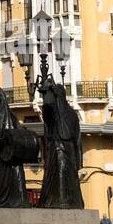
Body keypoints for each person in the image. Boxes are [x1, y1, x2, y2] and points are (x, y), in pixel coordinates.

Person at [38, 74, 84, 209]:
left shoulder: (71, 114)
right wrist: (47, 88)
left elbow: (78, 138)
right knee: (60, 173)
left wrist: (79, 160)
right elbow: (47, 106)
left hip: (68, 149)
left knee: (68, 175)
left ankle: (68, 201)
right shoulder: (53, 112)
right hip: (57, 147)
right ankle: (61, 200)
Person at [0, 87, 28, 208]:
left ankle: (21, 201)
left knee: (18, 176)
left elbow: (18, 130)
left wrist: (24, 133)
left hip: (13, 154)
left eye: (1, 100)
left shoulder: (12, 117)